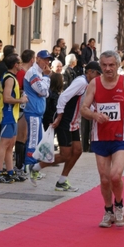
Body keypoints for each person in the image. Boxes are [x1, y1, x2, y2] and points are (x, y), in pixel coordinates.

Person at [80, 51, 124, 228]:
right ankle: (108, 210)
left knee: (115, 176)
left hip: (121, 136)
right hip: (100, 137)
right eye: (104, 65)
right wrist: (95, 115)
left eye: (111, 65)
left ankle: (119, 205)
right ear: (100, 66)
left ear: (118, 65)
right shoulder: (94, 84)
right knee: (104, 178)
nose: (108, 69)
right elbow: (83, 109)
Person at [31, 62, 103, 191]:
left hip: (74, 122)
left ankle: (62, 181)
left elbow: (85, 103)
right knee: (65, 155)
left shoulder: (89, 84)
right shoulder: (81, 82)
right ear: (90, 72)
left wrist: (97, 113)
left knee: (77, 151)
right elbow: (63, 97)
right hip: (66, 121)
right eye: (98, 74)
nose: (99, 77)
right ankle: (36, 167)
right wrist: (59, 116)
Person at [0, 54, 28, 183]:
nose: (21, 65)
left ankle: (10, 171)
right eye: (19, 63)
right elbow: (7, 98)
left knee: (10, 145)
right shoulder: (9, 79)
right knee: (4, 144)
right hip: (7, 114)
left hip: (12, 115)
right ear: (15, 65)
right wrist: (21, 100)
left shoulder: (12, 77)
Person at [23, 50, 52, 183]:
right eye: (45, 59)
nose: (47, 62)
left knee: (37, 141)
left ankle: (33, 168)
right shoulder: (33, 72)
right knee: (33, 141)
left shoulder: (39, 73)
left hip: (37, 112)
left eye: (48, 60)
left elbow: (45, 93)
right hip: (33, 112)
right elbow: (43, 91)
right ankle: (28, 167)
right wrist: (46, 78)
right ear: (37, 59)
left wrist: (44, 85)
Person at [14, 50, 35, 175]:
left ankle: (22, 165)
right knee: (21, 136)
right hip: (21, 106)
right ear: (32, 59)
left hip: (26, 106)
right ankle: (19, 166)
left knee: (25, 136)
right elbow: (19, 88)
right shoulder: (23, 73)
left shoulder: (27, 72)